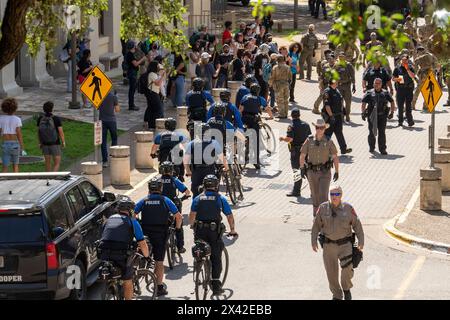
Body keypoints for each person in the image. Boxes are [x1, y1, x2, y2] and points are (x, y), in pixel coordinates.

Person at [311, 186, 364, 300]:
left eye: (337, 194)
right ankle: (337, 295)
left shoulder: (348, 208)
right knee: (331, 274)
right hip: (329, 246)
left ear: (341, 195)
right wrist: (313, 240)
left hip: (345, 245)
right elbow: (316, 226)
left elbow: (357, 225)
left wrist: (361, 241)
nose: (334, 197)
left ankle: (346, 288)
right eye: (332, 194)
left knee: (347, 269)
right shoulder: (323, 208)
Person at [189, 175, 238, 295]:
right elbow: (229, 216)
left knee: (199, 251)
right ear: (216, 186)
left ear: (204, 185)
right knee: (216, 256)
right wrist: (232, 230)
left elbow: (191, 216)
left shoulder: (198, 198)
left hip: (200, 231)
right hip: (214, 232)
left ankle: (198, 272)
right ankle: (216, 285)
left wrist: (192, 225)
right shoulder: (220, 198)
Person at [134, 178, 182, 296]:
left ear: (149, 189)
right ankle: (159, 287)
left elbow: (133, 214)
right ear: (161, 188)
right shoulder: (166, 200)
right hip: (160, 234)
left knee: (138, 256)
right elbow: (178, 217)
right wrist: (178, 228)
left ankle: (134, 280)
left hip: (145, 234)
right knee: (159, 261)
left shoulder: (143, 201)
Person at [99, 200, 150, 301]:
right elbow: (142, 243)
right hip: (121, 254)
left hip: (104, 252)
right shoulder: (132, 221)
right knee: (127, 281)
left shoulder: (108, 220)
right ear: (130, 210)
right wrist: (147, 256)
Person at [300, 119, 340, 215]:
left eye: (321, 128)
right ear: (315, 128)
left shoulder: (329, 141)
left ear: (324, 129)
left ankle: (325, 216)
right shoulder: (309, 140)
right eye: (317, 127)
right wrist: (302, 168)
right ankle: (316, 216)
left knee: (323, 195)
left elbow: (335, 157)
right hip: (312, 172)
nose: (319, 130)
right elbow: (302, 155)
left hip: (325, 172)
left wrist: (337, 171)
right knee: (314, 195)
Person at [184, 123, 229, 198]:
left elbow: (186, 160)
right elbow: (222, 158)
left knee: (195, 192)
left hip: (196, 172)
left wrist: (188, 171)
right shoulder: (214, 143)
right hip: (209, 170)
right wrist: (226, 167)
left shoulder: (191, 144)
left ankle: (195, 207)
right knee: (213, 191)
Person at [159, 161, 190, 253]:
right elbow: (187, 192)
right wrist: (184, 197)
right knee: (178, 223)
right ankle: (180, 247)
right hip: (174, 204)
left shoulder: (157, 180)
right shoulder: (174, 180)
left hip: (161, 205)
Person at [279, 108, 311, 197]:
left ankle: (296, 191)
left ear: (292, 116)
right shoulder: (306, 125)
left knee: (296, 171)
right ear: (299, 115)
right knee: (308, 170)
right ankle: (314, 191)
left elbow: (290, 139)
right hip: (305, 151)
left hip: (296, 152)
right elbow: (310, 137)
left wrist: (282, 138)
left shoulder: (291, 126)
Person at [361, 78, 396, 155]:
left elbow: (392, 102)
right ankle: (371, 147)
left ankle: (382, 149)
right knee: (372, 132)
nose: (376, 85)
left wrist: (392, 112)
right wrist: (363, 113)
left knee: (382, 133)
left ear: (381, 84)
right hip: (372, 116)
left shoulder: (385, 93)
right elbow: (363, 103)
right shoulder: (369, 93)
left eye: (378, 83)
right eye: (375, 83)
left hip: (382, 116)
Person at [239, 83, 269, 169]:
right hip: (253, 121)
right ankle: (256, 161)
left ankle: (243, 155)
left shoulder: (245, 97)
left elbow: (240, 109)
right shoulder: (260, 99)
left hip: (244, 119)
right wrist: (271, 116)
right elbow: (267, 108)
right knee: (256, 140)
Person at [322, 80, 353, 155]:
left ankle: (343, 149)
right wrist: (331, 116)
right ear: (332, 83)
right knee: (328, 134)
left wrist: (344, 110)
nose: (338, 83)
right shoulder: (327, 92)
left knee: (339, 132)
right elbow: (327, 105)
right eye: (336, 82)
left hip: (338, 115)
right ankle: (324, 149)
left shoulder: (337, 90)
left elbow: (340, 101)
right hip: (330, 117)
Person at [36, 102, 66, 172]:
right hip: (55, 143)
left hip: (44, 143)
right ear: (52, 109)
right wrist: (63, 141)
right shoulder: (56, 119)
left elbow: (38, 131)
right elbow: (60, 132)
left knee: (47, 163)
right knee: (57, 163)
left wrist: (40, 142)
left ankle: (48, 179)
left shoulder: (40, 118)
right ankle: (53, 177)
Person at [0, 99, 24, 173]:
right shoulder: (17, 119)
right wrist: (22, 146)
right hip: (15, 144)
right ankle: (16, 181)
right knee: (15, 165)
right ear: (15, 108)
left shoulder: (1, 119)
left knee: (5, 165)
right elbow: (19, 134)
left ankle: (2, 181)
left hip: (5, 144)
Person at [412, 46, 438, 111]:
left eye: (418, 52)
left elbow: (415, 67)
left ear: (420, 51)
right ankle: (425, 106)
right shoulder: (432, 55)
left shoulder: (420, 58)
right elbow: (436, 65)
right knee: (429, 91)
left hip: (423, 75)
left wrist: (415, 76)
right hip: (431, 75)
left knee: (418, 90)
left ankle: (412, 105)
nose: (417, 53)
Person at [393, 54, 416, 127]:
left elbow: (413, 76)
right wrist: (399, 79)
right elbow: (393, 78)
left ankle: (410, 121)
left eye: (405, 60)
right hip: (400, 89)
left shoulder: (410, 67)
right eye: (402, 60)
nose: (404, 61)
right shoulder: (397, 68)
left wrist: (408, 69)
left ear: (408, 60)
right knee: (400, 107)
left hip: (409, 89)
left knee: (408, 106)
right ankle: (400, 122)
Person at [334, 52, 356, 122]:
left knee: (348, 102)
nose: (340, 58)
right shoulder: (336, 65)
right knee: (339, 102)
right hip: (339, 86)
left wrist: (354, 85)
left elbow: (352, 75)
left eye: (342, 56)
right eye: (339, 56)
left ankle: (347, 115)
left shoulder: (348, 65)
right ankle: (341, 115)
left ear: (345, 57)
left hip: (347, 85)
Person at [269, 54, 292, 119]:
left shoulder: (275, 67)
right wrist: (289, 84)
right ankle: (285, 113)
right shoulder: (287, 67)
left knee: (279, 100)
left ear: (277, 60)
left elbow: (272, 77)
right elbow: (290, 77)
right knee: (286, 100)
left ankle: (281, 114)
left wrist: (270, 84)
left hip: (278, 85)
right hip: (286, 84)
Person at [144, 61, 165, 130]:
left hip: (153, 93)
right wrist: (162, 76)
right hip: (152, 93)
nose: (159, 68)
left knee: (152, 109)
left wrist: (163, 74)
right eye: (157, 66)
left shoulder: (154, 74)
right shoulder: (152, 74)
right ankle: (154, 125)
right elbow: (158, 83)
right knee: (158, 109)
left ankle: (151, 126)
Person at [125, 42, 146, 111]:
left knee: (133, 89)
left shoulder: (131, 54)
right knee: (132, 90)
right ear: (133, 47)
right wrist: (142, 59)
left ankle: (132, 104)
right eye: (134, 46)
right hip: (132, 73)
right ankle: (131, 106)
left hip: (133, 72)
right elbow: (135, 64)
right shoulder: (130, 54)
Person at [313, 50, 334, 115]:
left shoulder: (333, 65)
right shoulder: (325, 65)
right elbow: (322, 75)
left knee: (325, 96)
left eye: (331, 57)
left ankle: (323, 109)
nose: (329, 59)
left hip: (330, 83)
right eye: (329, 57)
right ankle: (316, 108)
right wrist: (320, 84)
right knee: (323, 95)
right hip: (325, 83)